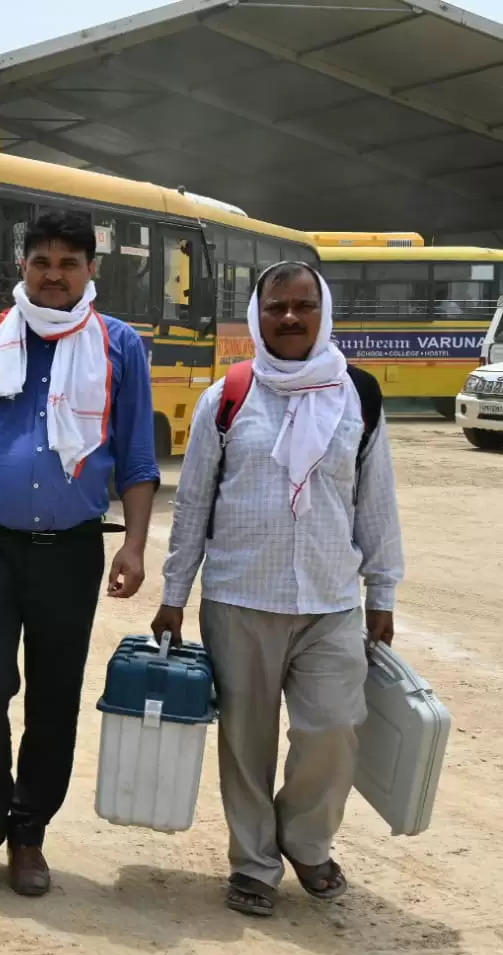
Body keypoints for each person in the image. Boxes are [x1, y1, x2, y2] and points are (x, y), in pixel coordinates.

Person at [0, 210, 160, 897]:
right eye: (41, 263)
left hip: (70, 552)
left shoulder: (119, 348)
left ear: (90, 272)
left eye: (68, 264)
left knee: (53, 699)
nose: (53, 276)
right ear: (21, 268)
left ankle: (28, 832)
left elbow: (137, 458)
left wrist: (134, 546)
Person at [152, 261, 402, 918]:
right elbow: (193, 505)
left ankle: (305, 839)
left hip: (329, 602)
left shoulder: (358, 396)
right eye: (274, 308)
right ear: (256, 318)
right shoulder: (227, 398)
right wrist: (173, 593)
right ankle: (254, 864)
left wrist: (381, 592)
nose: (288, 319)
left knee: (334, 728)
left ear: (323, 313)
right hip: (240, 597)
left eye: (301, 306)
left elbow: (375, 502)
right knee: (246, 742)